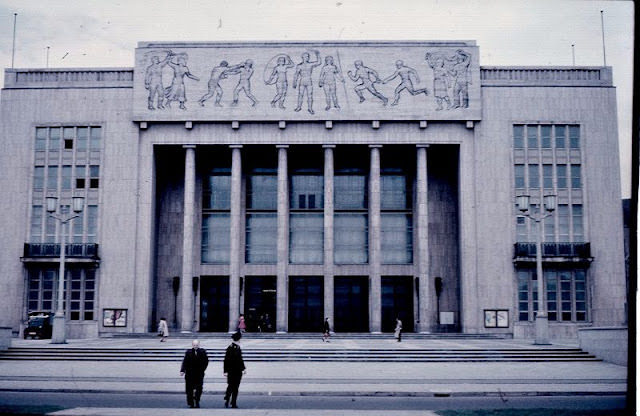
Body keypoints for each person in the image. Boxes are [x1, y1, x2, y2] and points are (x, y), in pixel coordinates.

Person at [180, 339, 209, 408]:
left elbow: (206, 362)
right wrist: (182, 370)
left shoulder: (203, 352)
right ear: (192, 345)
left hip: (199, 373)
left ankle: (197, 399)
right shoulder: (188, 352)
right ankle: (191, 402)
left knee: (199, 388)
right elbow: (185, 362)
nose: (195, 346)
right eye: (194, 345)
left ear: (199, 345)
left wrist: (202, 369)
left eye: (197, 345)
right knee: (189, 389)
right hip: (190, 373)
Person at [224, 331, 246, 408]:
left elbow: (240, 359)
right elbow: (226, 360)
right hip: (231, 371)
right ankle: (227, 398)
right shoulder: (230, 348)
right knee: (231, 386)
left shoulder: (238, 348)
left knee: (235, 387)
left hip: (237, 371)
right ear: (238, 339)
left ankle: (233, 402)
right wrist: (225, 371)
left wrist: (243, 368)